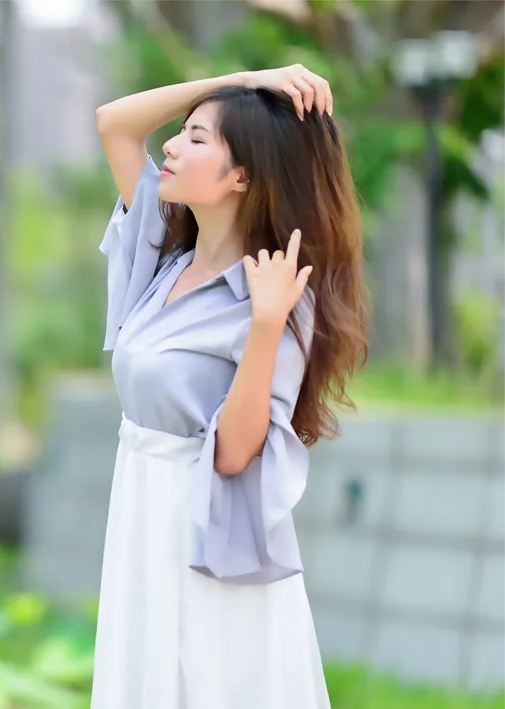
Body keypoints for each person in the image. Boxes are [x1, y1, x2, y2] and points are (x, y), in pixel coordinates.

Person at [90, 65, 369, 709]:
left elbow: (237, 452)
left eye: (195, 138)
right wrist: (249, 81)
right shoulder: (161, 256)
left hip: (202, 520)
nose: (171, 146)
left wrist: (267, 325)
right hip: (140, 502)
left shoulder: (277, 296)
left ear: (240, 174)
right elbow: (115, 122)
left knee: (205, 681)